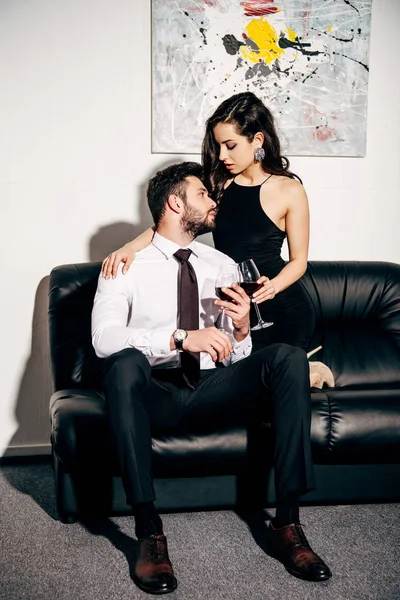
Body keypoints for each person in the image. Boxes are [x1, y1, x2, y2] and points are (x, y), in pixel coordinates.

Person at [92, 161, 331, 595]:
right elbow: (105, 339)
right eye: (202, 193)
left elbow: (234, 352)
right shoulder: (125, 265)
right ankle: (149, 533)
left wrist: (240, 330)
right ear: (175, 202)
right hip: (157, 394)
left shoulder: (220, 264)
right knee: (123, 363)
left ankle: (288, 522)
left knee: (287, 357)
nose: (212, 200)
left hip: (212, 390)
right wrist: (181, 338)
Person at [101, 92, 333, 388]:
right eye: (219, 146)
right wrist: (129, 248)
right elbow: (172, 224)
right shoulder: (218, 186)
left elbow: (300, 261)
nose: (222, 155)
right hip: (234, 310)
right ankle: (308, 371)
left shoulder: (290, 190)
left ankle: (308, 370)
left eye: (231, 145)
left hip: (282, 308)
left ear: (258, 141)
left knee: (267, 380)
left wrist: (272, 287)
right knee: (240, 378)